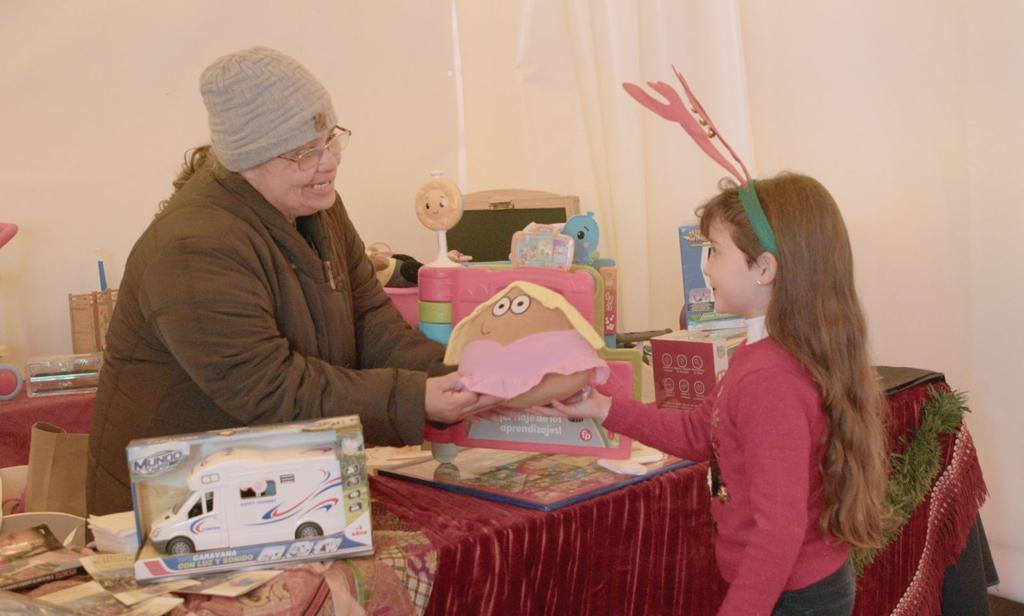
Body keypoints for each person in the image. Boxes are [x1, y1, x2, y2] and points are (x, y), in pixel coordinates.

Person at [86, 47, 498, 515]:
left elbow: (371, 324)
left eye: (331, 138)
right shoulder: (193, 246)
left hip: (269, 493)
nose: (329, 162)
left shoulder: (317, 206)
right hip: (175, 511)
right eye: (305, 152)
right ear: (248, 159)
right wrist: (415, 399)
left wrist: (465, 375)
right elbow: (271, 390)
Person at [533, 173, 890, 615]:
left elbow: (778, 529)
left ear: (764, 268)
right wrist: (602, 407)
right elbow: (698, 432)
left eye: (715, 251)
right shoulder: (762, 354)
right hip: (789, 589)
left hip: (791, 598)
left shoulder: (769, 379)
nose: (704, 266)